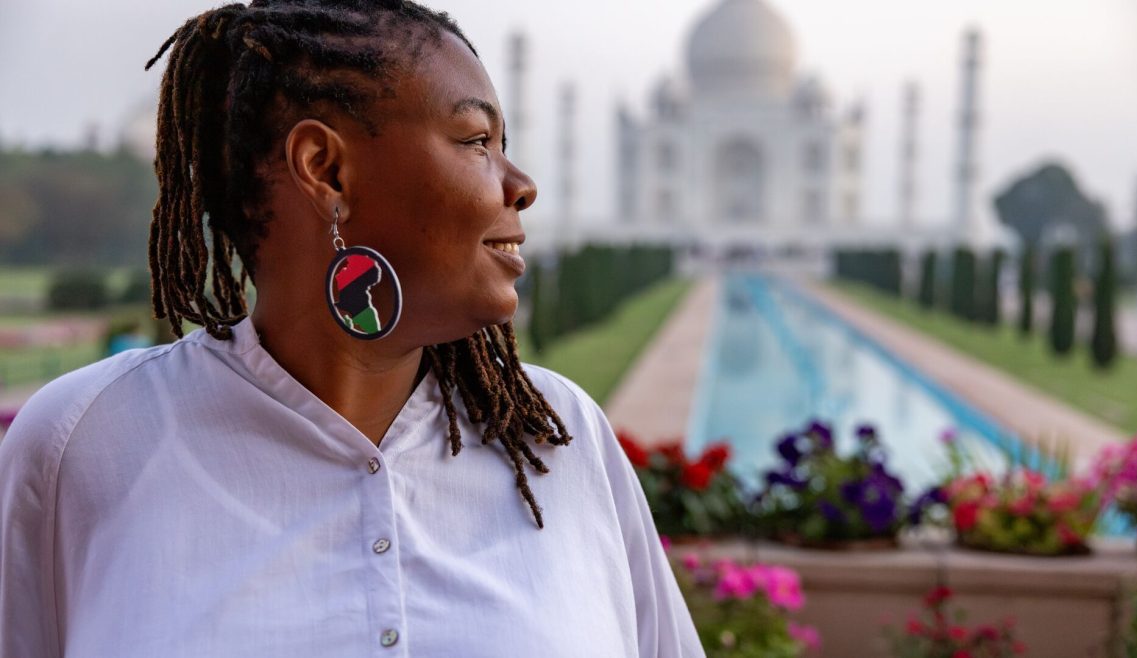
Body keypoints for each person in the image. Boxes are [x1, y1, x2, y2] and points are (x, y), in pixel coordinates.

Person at [0, 2, 703, 656]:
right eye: (476, 140)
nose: (519, 183)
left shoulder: (560, 440)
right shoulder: (86, 446)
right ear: (326, 169)